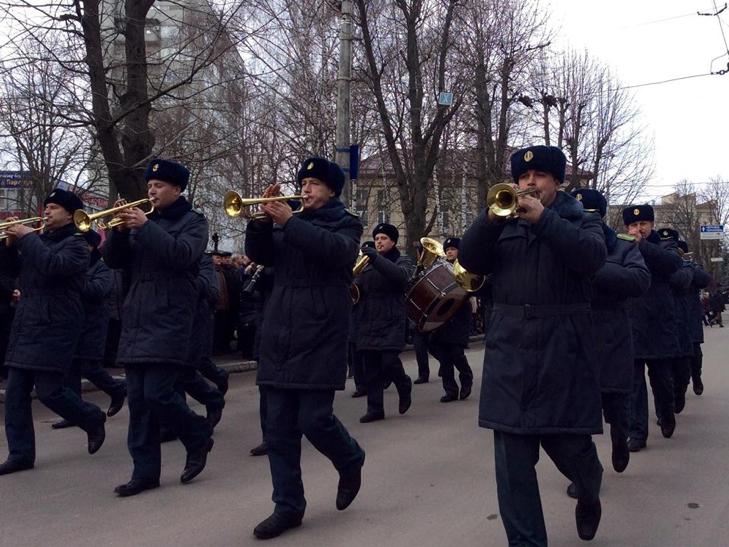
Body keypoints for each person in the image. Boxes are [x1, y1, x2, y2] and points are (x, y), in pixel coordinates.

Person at [459, 145, 607, 545]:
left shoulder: (582, 221)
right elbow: (470, 259)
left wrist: (545, 221)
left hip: (563, 349)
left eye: (539, 176)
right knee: (512, 467)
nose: (529, 183)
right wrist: (490, 219)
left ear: (557, 182)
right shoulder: (502, 221)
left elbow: (592, 258)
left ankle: (589, 486)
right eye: (524, 177)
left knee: (570, 446)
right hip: (509, 350)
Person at [245, 156, 366, 540]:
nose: (307, 188)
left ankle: (349, 457)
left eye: (314, 183)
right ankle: (287, 506)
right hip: (280, 327)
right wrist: (261, 221)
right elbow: (260, 255)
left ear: (331, 190)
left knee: (314, 419)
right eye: (304, 182)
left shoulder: (346, 222)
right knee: (278, 427)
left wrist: (288, 222)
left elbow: (337, 252)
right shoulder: (288, 222)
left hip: (322, 331)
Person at [103, 159, 214, 496]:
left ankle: (196, 434)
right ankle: (145, 472)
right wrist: (119, 234)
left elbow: (181, 256)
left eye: (159, 186)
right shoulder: (143, 222)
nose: (151, 190)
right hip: (138, 314)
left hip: (171, 315)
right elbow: (112, 261)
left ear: (177, 189)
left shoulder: (193, 222)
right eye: (149, 186)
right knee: (138, 399)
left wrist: (144, 227)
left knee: (158, 393)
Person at [0, 189, 107, 476]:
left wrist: (27, 237)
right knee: (15, 393)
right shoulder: (41, 240)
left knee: (50, 392)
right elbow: (11, 272)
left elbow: (52, 267)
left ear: (70, 215)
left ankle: (91, 416)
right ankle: (20, 454)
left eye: (54, 208)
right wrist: (10, 246)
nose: (46, 212)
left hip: (56, 323)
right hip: (27, 321)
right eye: (46, 207)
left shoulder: (76, 244)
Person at [568, 188, 649, 483]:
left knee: (616, 406)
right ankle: (584, 476)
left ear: (599, 217)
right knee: (576, 418)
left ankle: (620, 436)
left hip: (612, 335)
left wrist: (594, 267)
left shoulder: (623, 247)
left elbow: (639, 280)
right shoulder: (563, 243)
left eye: (586, 215)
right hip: (572, 337)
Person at [52, 229, 127, 429]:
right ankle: (75, 411)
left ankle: (117, 389)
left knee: (89, 367)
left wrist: (75, 282)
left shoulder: (101, 268)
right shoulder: (73, 265)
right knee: (70, 369)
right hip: (72, 322)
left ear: (91, 247)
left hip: (94, 323)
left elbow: (99, 290)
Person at [624, 206, 683, 452]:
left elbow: (672, 264)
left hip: (658, 324)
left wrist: (643, 246)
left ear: (652, 225)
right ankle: (637, 433)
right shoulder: (621, 245)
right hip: (631, 324)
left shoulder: (664, 245)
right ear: (628, 227)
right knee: (634, 386)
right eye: (635, 225)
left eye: (645, 224)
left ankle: (666, 414)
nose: (640, 229)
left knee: (661, 381)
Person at [355, 222, 415, 423]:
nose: (379, 242)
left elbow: (400, 278)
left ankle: (403, 384)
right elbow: (358, 288)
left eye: (383, 239)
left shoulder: (402, 260)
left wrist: (375, 258)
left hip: (391, 316)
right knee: (370, 367)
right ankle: (375, 408)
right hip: (369, 318)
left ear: (393, 241)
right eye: (377, 238)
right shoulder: (366, 263)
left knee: (388, 362)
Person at [427, 237, 474, 402]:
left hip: (460, 312)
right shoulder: (440, 268)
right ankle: (450, 390)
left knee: (456, 352)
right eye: (447, 250)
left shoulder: (467, 266)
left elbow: (473, 287)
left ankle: (466, 378)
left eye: (453, 249)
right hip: (443, 312)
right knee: (442, 352)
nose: (449, 252)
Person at [679, 241, 711, 395]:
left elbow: (705, 280)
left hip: (691, 316)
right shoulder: (667, 265)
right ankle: (682, 384)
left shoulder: (692, 268)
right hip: (674, 317)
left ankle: (696, 378)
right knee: (678, 357)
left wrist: (688, 265)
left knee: (695, 352)